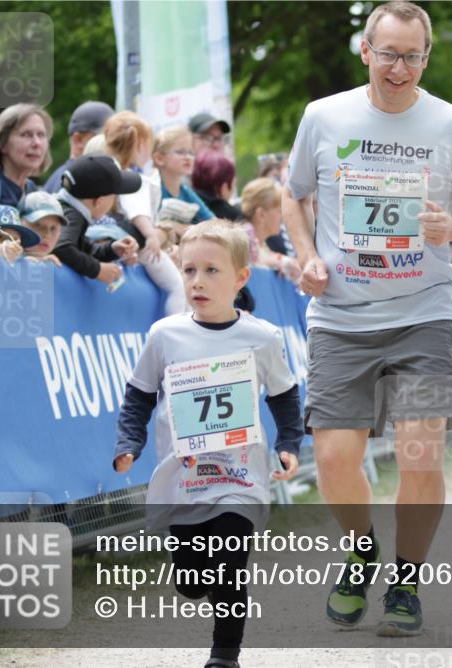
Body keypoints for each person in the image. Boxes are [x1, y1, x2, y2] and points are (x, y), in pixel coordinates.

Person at [282, 0, 452, 637]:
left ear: (426, 58)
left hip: (423, 316)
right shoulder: (323, 117)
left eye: (411, 55)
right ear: (366, 51)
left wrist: (451, 226)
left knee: (420, 453)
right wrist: (305, 256)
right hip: (339, 316)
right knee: (333, 458)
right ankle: (359, 550)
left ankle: (406, 580)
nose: (399, 66)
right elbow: (293, 196)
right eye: (389, 53)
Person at [113, 222, 303, 668]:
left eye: (212, 271)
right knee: (194, 581)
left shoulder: (262, 338)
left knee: (231, 561)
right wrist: (129, 441)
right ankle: (200, 583)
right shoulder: (164, 336)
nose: (197, 281)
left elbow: (284, 395)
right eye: (189, 270)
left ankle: (224, 657)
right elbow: (138, 394)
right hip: (185, 479)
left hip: (239, 477)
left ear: (241, 278)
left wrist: (289, 443)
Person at [104, 111, 187, 314]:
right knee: (177, 287)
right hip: (145, 246)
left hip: (136, 243)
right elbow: (137, 212)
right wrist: (151, 235)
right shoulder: (134, 178)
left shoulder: (117, 174)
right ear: (140, 145)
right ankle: (174, 335)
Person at [53, 155, 142, 285]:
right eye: (115, 196)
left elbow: (80, 249)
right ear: (98, 201)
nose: (116, 200)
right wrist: (97, 270)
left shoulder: (71, 209)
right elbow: (61, 248)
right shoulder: (71, 215)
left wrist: (110, 249)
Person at [0, 104, 53, 206]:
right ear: (3, 144)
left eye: (41, 135)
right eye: (26, 134)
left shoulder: (31, 189)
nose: (36, 143)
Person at [238, 178, 302, 283]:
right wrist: (279, 262)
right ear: (261, 214)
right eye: (279, 211)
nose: (283, 216)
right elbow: (253, 262)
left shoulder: (259, 242)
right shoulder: (244, 238)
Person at [44, 101, 115, 193]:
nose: (113, 143)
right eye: (105, 136)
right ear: (78, 140)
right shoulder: (72, 180)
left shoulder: (69, 176)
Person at [152, 126, 214, 223]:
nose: (188, 157)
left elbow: (212, 221)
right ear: (159, 159)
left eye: (191, 152)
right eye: (180, 152)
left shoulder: (186, 191)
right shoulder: (153, 189)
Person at [192, 151, 243, 221]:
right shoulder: (232, 215)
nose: (233, 190)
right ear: (224, 187)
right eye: (234, 184)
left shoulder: (185, 201)